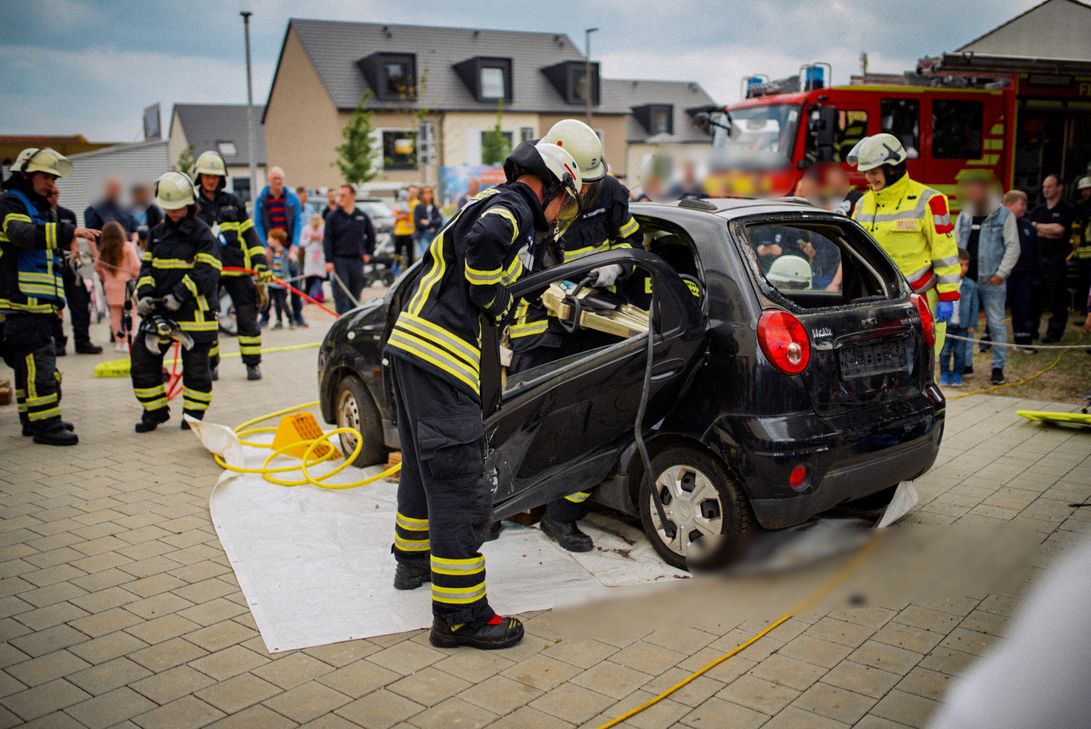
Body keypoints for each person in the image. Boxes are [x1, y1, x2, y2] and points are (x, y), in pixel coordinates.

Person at [386, 140, 582, 650]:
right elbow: (487, 243)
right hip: (442, 358)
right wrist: (492, 296)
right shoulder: (515, 206)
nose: (559, 214)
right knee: (461, 485)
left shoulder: (489, 198)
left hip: (413, 349)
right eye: (563, 202)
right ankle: (460, 616)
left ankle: (412, 562)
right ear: (551, 188)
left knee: (423, 468)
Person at [508, 120, 642, 553]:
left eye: (588, 182)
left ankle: (562, 517)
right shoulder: (526, 201)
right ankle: (499, 507)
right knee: (521, 423)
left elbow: (634, 245)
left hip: (594, 325)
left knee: (589, 425)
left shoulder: (610, 195)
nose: (582, 192)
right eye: (575, 183)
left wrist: (616, 267)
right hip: (538, 329)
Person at [0, 147, 98, 446]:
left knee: (27, 367)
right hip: (22, 304)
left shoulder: (36, 208)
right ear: (26, 176)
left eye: (54, 179)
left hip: (37, 305)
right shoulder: (11, 203)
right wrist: (69, 231)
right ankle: (47, 425)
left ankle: (32, 419)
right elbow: (22, 235)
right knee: (41, 365)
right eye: (46, 177)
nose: (51, 185)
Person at [849, 133, 960, 361]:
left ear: (892, 168)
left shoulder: (930, 201)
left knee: (920, 366)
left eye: (874, 171)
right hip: (877, 300)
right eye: (866, 172)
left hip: (918, 298)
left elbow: (945, 252)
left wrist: (948, 295)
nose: (869, 178)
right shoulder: (861, 204)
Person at [130, 171, 220, 433]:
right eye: (169, 208)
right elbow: (147, 269)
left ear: (190, 202)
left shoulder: (203, 233)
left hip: (195, 311)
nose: (173, 212)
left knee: (196, 369)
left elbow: (208, 271)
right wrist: (144, 295)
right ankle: (154, 412)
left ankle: (193, 416)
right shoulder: (157, 234)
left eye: (178, 207)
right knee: (142, 361)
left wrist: (180, 294)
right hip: (160, 312)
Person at [192, 151, 269, 382]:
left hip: (237, 270)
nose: (211, 180)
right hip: (208, 273)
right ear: (199, 177)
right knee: (208, 320)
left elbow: (250, 235)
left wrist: (261, 263)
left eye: (215, 176)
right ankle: (211, 366)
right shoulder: (192, 206)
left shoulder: (234, 203)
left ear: (222, 178)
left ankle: (253, 365)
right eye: (207, 176)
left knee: (247, 318)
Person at [954, 173, 1019, 385]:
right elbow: (955, 244)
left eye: (975, 190)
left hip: (992, 281)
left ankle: (997, 367)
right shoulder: (965, 215)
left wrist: (1001, 274)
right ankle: (965, 364)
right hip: (967, 282)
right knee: (966, 324)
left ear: (985, 190)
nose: (971, 194)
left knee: (996, 324)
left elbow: (1013, 247)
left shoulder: (1004, 215)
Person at [49, 187, 102, 355]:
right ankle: (58, 343)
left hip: (70, 267)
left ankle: (82, 341)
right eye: (50, 194)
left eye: (55, 194)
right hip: (51, 268)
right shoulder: (40, 215)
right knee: (54, 307)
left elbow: (73, 237)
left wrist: (75, 253)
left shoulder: (68, 214)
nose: (52, 197)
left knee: (80, 302)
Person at [254, 167, 306, 327]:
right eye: (275, 179)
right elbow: (258, 224)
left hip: (288, 248)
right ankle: (265, 316)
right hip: (270, 247)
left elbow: (297, 222)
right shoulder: (261, 199)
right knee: (268, 283)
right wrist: (265, 247)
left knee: (294, 282)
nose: (278, 182)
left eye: (280, 179)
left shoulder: (292, 198)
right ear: (270, 180)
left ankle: (297, 315)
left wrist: (294, 246)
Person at [1027, 174, 1076, 343]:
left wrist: (1038, 227)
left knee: (1056, 298)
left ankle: (1054, 332)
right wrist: (1044, 230)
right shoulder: (1038, 210)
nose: (1045, 190)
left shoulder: (1067, 208)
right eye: (1044, 187)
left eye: (1049, 186)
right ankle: (1031, 330)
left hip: (1056, 259)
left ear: (1059, 187)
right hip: (1038, 259)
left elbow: (1059, 230)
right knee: (1034, 296)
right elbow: (1031, 229)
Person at [323, 183, 375, 314]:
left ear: (352, 196)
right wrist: (328, 260)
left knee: (355, 293)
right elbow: (327, 239)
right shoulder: (332, 217)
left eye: (343, 195)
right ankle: (342, 320)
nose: (340, 198)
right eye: (339, 195)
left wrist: (368, 253)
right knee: (341, 293)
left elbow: (371, 235)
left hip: (357, 260)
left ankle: (354, 320)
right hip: (339, 260)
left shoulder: (361, 216)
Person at [93, 221, 141, 352]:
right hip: (126, 285)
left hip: (110, 284)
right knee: (131, 314)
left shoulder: (103, 250)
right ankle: (128, 341)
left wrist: (106, 277)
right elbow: (136, 267)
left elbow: (97, 267)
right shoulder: (127, 247)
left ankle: (119, 342)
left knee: (114, 316)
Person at [1002, 190, 1040, 350]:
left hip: (1023, 274)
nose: (1025, 208)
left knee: (1022, 308)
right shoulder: (998, 223)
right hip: (1004, 274)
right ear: (1010, 204)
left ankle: (1023, 341)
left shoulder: (1027, 226)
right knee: (997, 307)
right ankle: (989, 340)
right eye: (1022, 204)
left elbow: (1036, 252)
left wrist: (1035, 275)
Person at [938, 250, 978, 387]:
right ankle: (944, 373)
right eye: (961, 265)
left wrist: (972, 324)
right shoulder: (944, 284)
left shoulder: (970, 285)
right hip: (947, 325)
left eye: (966, 265)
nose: (964, 268)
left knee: (960, 352)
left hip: (962, 326)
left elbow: (974, 306)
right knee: (945, 351)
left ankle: (957, 374)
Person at [1072, 176, 1091, 318]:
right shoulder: (1081, 207)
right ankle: (1083, 308)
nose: (1085, 193)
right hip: (1082, 253)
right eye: (1083, 190)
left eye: (1087, 189)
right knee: (1083, 282)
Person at [266, 230, 291, 328]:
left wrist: (285, 280)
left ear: (277, 240)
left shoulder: (285, 253)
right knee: (276, 303)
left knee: (283, 302)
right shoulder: (271, 253)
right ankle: (279, 321)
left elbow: (287, 268)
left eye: (270, 238)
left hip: (282, 284)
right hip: (273, 283)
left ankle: (291, 319)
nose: (268, 240)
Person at [301, 213, 327, 302]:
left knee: (319, 276)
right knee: (309, 276)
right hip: (310, 254)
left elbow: (327, 241)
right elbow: (301, 242)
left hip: (320, 255)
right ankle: (308, 295)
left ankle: (318, 295)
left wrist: (320, 238)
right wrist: (310, 239)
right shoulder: (306, 228)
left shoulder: (323, 228)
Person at [392, 185, 419, 267]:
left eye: (415, 192)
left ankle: (409, 270)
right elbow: (394, 213)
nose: (413, 194)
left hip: (410, 232)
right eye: (411, 192)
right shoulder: (401, 202)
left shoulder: (417, 203)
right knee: (397, 253)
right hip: (398, 231)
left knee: (410, 254)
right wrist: (400, 216)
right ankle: (396, 269)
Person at [414, 185, 442, 256]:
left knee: (435, 255)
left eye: (430, 192)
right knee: (427, 255)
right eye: (425, 192)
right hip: (423, 235)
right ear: (422, 195)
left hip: (434, 235)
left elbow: (439, 221)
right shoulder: (418, 207)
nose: (428, 194)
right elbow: (417, 223)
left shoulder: (435, 207)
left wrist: (428, 222)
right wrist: (433, 223)